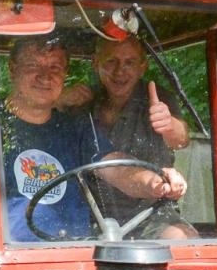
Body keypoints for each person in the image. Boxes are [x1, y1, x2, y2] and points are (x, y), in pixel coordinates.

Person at [0, 36, 164, 246]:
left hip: (73, 263)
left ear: (65, 74)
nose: (45, 76)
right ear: (12, 69)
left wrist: (155, 182)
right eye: (32, 65)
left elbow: (117, 168)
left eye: (55, 68)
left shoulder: (77, 128)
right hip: (4, 267)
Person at [60, 37, 195, 238]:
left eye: (130, 62)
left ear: (142, 67)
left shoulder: (158, 98)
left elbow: (181, 139)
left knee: (179, 237)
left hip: (153, 211)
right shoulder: (81, 102)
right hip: (94, 216)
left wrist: (169, 124)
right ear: (96, 62)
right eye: (111, 61)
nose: (120, 71)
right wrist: (57, 101)